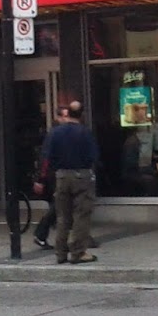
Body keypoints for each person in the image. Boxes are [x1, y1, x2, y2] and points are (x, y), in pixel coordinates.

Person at [35, 101, 99, 264]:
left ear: (67, 113)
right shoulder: (85, 133)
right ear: (81, 115)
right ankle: (78, 252)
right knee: (81, 215)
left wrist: (43, 178)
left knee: (62, 216)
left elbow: (47, 157)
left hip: (61, 176)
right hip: (82, 176)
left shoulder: (55, 133)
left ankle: (60, 253)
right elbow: (93, 157)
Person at [32, 102, 72, 250]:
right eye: (65, 116)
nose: (68, 119)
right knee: (59, 207)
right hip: (53, 176)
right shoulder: (55, 134)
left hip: (57, 174)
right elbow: (46, 158)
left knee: (60, 207)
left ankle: (48, 235)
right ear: (59, 117)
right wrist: (41, 179)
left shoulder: (60, 132)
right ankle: (41, 233)